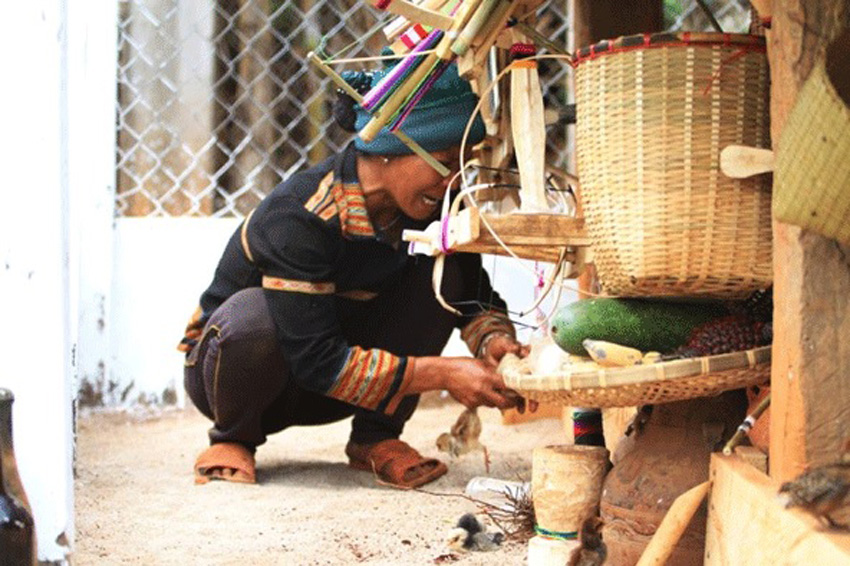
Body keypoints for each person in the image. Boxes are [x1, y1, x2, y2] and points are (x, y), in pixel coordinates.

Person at [178, 59, 530, 488]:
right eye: (444, 163)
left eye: (463, 164)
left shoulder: (434, 208)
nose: (455, 182)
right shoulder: (298, 216)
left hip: (333, 390)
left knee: (441, 275)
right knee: (255, 317)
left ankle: (374, 439)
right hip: (237, 377)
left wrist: (495, 343)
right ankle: (233, 437)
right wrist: (441, 373)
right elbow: (315, 359)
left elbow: (471, 294)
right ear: (389, 148)